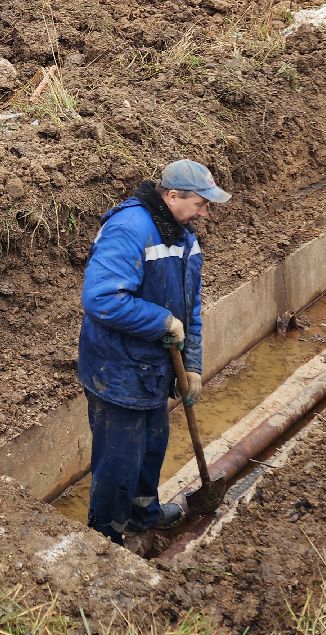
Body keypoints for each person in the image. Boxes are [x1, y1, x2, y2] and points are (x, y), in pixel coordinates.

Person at [77, 159, 230, 545]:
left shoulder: (184, 238)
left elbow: (190, 308)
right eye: (200, 203)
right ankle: (105, 537)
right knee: (118, 460)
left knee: (152, 445)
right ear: (172, 195)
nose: (205, 212)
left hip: (153, 369)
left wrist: (192, 366)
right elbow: (102, 299)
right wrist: (161, 322)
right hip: (117, 369)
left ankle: (143, 514)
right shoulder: (129, 229)